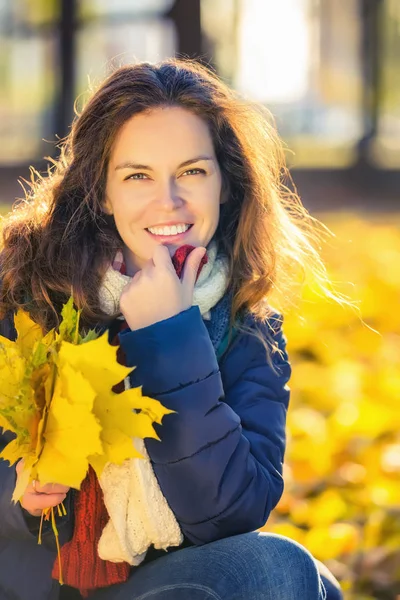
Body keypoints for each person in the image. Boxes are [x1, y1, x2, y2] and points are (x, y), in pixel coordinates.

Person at [0, 59, 343, 600]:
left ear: (226, 184)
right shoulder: (28, 295)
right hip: (34, 586)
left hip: (159, 587)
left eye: (192, 171)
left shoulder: (246, 326)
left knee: (286, 572)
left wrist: (171, 335)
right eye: (138, 175)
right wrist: (18, 497)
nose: (170, 200)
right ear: (103, 191)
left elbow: (230, 513)